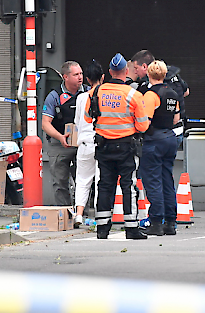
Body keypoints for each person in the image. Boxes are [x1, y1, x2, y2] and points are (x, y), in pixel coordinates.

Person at [84, 53, 150, 239]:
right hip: (126, 147)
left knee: (105, 185)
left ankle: (102, 228)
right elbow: (143, 125)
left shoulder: (96, 92)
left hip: (103, 146)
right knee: (128, 186)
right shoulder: (133, 95)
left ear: (110, 72)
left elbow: (88, 117)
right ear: (126, 71)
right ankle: (131, 228)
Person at [138, 60, 180, 236]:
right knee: (166, 179)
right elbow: (176, 119)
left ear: (149, 74)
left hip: (154, 140)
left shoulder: (150, 95)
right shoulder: (172, 93)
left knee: (153, 181)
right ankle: (170, 222)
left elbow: (145, 123)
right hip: (170, 138)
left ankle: (156, 221)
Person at [42, 61, 85, 205]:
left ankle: (81, 214)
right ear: (65, 77)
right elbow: (45, 123)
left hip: (82, 143)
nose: (80, 77)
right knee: (60, 181)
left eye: (81, 74)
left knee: (83, 181)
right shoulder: (54, 96)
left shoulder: (87, 93)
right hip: (59, 143)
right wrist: (60, 137)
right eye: (76, 74)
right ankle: (64, 213)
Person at [131, 50, 190, 145]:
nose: (135, 72)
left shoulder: (148, 88)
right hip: (176, 131)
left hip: (157, 134)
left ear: (145, 67)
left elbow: (145, 118)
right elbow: (186, 92)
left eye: (136, 68)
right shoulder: (175, 77)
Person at [73, 60, 105, 227]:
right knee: (101, 180)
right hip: (101, 142)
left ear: (87, 79)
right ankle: (100, 214)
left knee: (82, 180)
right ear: (103, 77)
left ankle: (78, 214)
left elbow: (77, 122)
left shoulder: (80, 98)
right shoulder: (105, 96)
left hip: (84, 142)